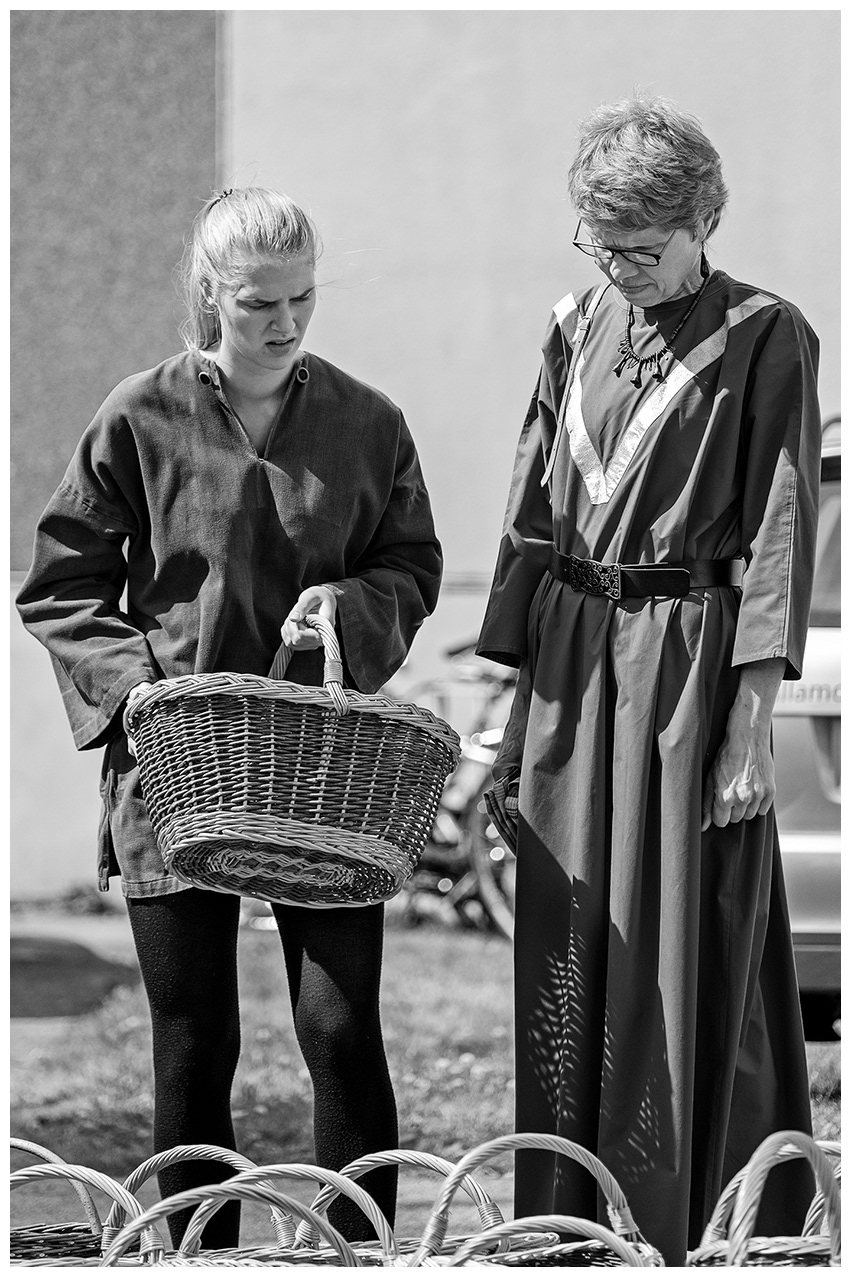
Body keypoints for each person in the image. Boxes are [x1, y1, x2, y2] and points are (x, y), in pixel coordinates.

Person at [17, 187, 442, 1248]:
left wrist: (351, 605)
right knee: (194, 1038)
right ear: (211, 294)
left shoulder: (369, 421)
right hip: (171, 768)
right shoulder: (138, 413)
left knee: (338, 1026)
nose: (285, 322)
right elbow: (61, 582)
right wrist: (134, 688)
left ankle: (356, 1255)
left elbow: (410, 563)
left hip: (323, 767)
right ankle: (198, 1260)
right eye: (259, 303)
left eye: (302, 297)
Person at [476, 95, 821, 1265]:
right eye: (600, 242)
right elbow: (530, 512)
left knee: (678, 938)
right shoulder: (570, 323)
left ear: (702, 221)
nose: (616, 266)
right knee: (566, 930)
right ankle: (564, 1214)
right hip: (573, 659)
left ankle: (679, 1216)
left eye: (638, 246)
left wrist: (748, 717)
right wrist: (514, 704)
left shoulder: (766, 334)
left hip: (683, 659)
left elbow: (778, 525)